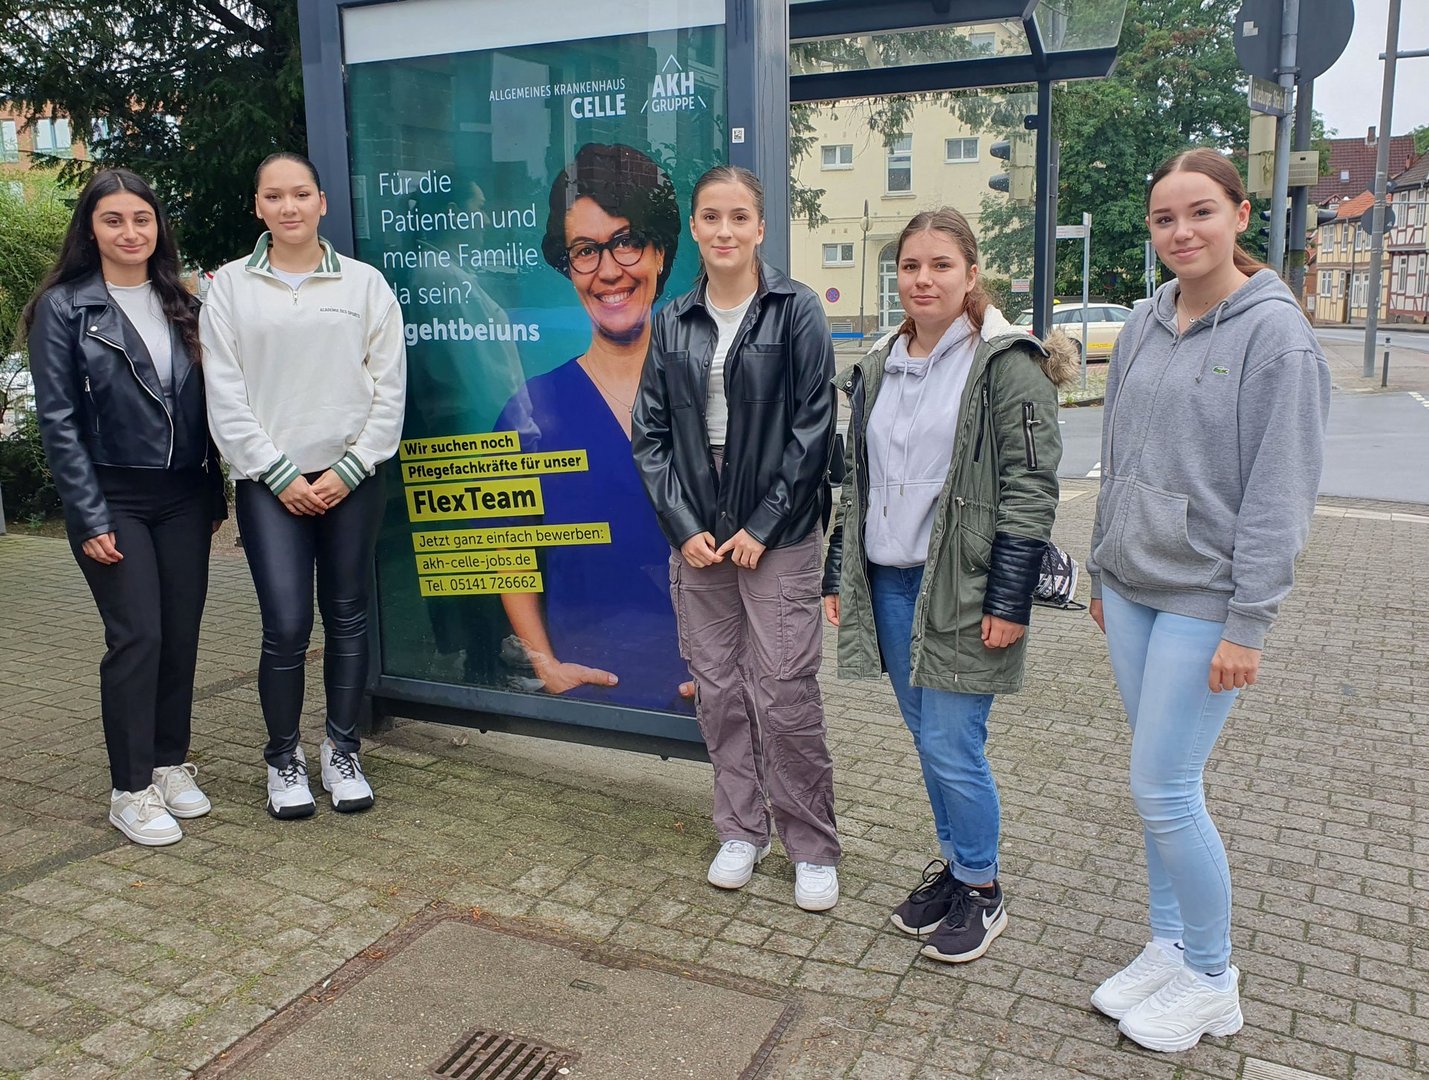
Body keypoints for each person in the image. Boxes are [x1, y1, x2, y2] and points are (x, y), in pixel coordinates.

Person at [1086, 148, 1329, 1051]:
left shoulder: (1275, 337)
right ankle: (1169, 941)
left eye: (1199, 213)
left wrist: (1248, 623)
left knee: (1165, 787)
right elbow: (1116, 451)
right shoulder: (1146, 322)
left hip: (1205, 598)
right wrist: (1104, 566)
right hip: (1133, 585)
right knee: (1154, 787)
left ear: (1237, 212)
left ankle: (1212, 978)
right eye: (1162, 219)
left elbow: (1280, 492)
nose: (1180, 232)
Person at [821, 207, 1074, 962]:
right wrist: (841, 568)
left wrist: (1007, 595)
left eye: (939, 265)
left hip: (961, 589)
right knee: (927, 741)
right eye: (909, 266)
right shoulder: (877, 364)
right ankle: (960, 871)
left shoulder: (1005, 363)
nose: (922, 279)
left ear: (970, 273)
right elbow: (857, 482)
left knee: (952, 744)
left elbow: (1031, 486)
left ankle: (982, 889)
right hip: (891, 583)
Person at [632, 165, 842, 911]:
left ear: (759, 228)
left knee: (783, 690)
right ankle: (739, 831)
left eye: (738, 218)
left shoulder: (796, 310)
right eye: (710, 218)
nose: (724, 231)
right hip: (697, 524)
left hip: (773, 526)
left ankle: (810, 845)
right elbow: (649, 435)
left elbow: (814, 430)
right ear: (694, 227)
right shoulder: (673, 319)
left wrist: (764, 524)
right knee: (718, 689)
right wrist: (685, 528)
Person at [24, 168, 227, 846]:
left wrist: (214, 488)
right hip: (115, 495)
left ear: (157, 226)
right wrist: (88, 514)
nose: (130, 232)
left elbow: (210, 404)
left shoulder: (184, 300)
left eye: (142, 218)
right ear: (91, 229)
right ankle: (129, 788)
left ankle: (169, 763)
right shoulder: (65, 307)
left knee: (180, 633)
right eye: (114, 220)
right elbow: (58, 420)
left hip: (184, 496)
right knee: (137, 635)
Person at [201, 152, 407, 819]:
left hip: (353, 477)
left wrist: (349, 468)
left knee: (348, 616)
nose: (288, 207)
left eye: (300, 194)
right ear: (257, 207)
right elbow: (225, 395)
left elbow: (389, 388)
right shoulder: (229, 288)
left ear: (321, 202)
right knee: (287, 625)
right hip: (271, 484)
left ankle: (341, 750)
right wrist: (280, 473)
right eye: (273, 196)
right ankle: (283, 759)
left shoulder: (365, 285)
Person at [494, 143, 692, 711]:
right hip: (586, 700)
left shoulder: (712, 389)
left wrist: (732, 668)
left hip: (706, 694)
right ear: (567, 264)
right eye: (585, 250)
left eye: (626, 241)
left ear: (659, 251)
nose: (608, 270)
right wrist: (545, 665)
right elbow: (510, 549)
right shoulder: (531, 409)